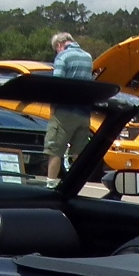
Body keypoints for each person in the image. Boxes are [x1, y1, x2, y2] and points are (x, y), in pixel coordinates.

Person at [44, 31, 93, 180]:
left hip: (65, 112)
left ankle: (51, 184)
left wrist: (53, 108)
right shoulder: (88, 57)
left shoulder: (62, 56)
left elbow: (56, 85)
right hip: (84, 112)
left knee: (55, 151)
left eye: (55, 49)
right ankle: (76, 183)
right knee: (79, 152)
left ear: (59, 45)